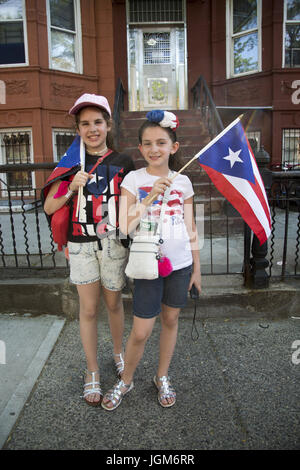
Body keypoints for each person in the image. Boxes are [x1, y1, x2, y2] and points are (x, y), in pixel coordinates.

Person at [101, 110, 201, 411]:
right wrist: (148, 199)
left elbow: (192, 227)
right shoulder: (133, 179)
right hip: (147, 264)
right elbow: (123, 226)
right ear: (141, 148)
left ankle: (162, 376)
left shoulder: (183, 182)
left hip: (180, 264)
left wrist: (197, 269)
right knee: (142, 330)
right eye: (147, 143)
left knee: (171, 319)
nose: (153, 149)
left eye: (161, 142)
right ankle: (126, 380)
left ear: (174, 147)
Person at [42, 93, 135, 406]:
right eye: (85, 124)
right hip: (80, 246)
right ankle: (92, 370)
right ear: (78, 129)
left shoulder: (123, 163)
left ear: (108, 124)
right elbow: (49, 205)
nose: (92, 128)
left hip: (112, 244)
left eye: (98, 122)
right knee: (89, 309)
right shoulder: (72, 164)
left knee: (114, 304)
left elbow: (132, 207)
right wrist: (71, 187)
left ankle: (119, 353)